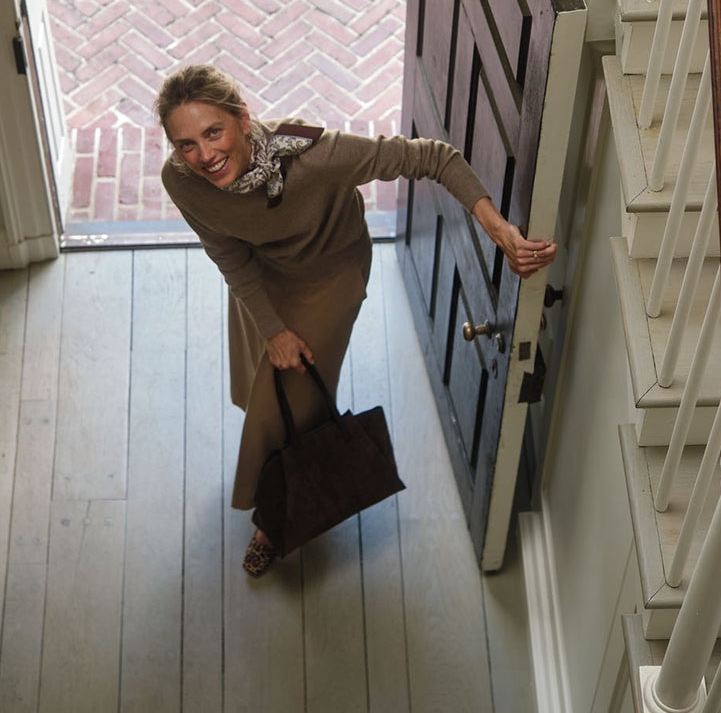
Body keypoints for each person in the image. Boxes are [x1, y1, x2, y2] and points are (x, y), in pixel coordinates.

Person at [157, 63, 556, 577]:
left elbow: (434, 158)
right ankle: (276, 455)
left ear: (241, 116)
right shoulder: (182, 179)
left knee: (288, 403)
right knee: (263, 379)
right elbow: (227, 253)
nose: (204, 155)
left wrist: (499, 231)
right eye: (186, 143)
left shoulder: (318, 157)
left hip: (330, 275)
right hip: (263, 274)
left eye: (213, 132)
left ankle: (275, 520)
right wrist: (271, 328)